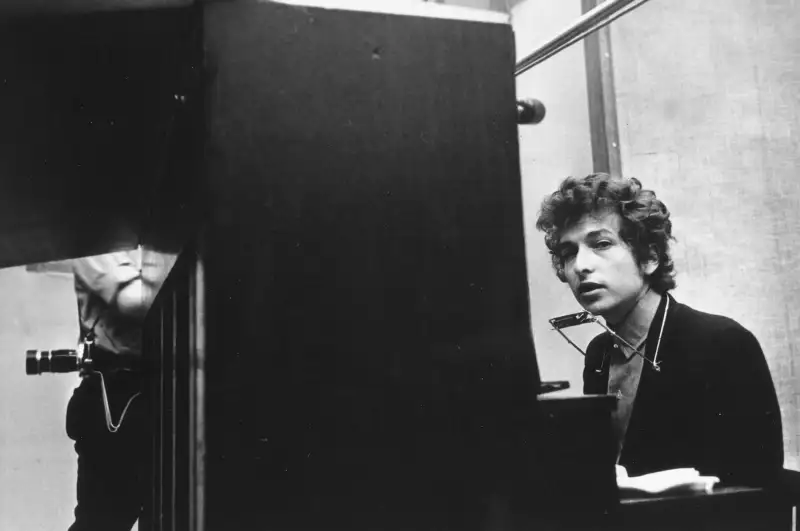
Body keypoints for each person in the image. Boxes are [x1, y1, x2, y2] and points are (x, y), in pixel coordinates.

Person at [535, 173, 784, 487]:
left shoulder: (722, 343)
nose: (581, 265)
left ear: (650, 256)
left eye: (601, 244)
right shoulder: (598, 353)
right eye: (569, 253)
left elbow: (758, 488)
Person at [66, 248, 156, 531]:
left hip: (144, 399)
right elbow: (132, 304)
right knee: (101, 522)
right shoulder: (99, 236)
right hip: (113, 404)